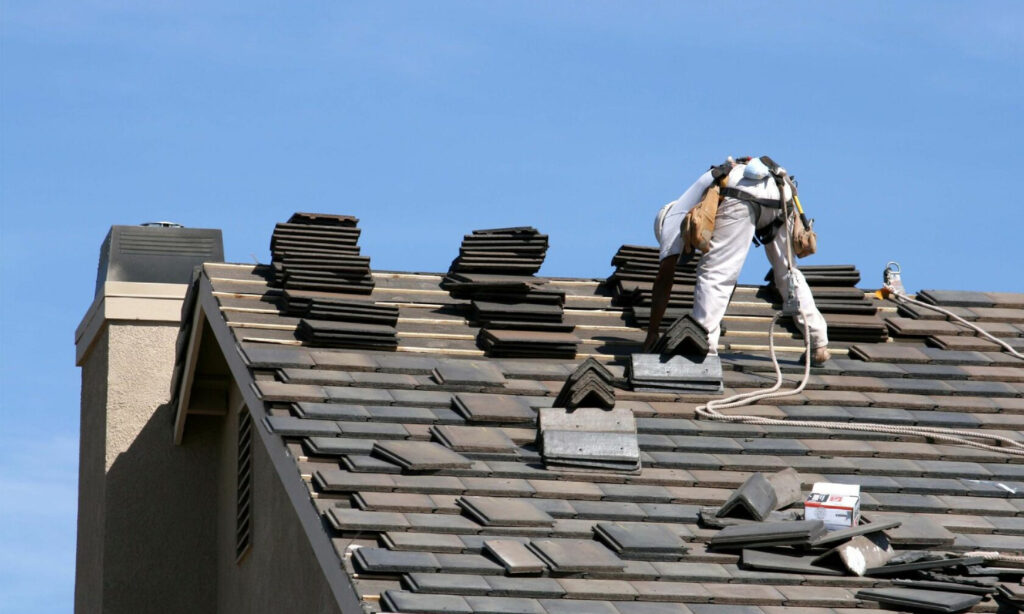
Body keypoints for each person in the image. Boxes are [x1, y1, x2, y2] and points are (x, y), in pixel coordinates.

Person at [642, 157, 831, 366]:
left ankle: (703, 347)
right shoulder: (697, 195)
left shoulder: (671, 221)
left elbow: (663, 280)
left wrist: (652, 332)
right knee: (787, 271)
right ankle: (818, 343)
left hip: (743, 195)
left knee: (716, 273)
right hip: (780, 189)